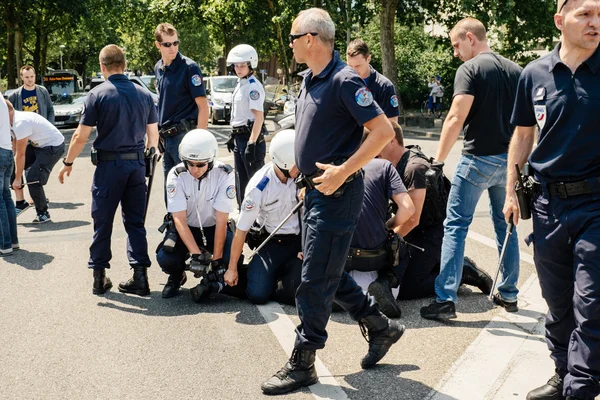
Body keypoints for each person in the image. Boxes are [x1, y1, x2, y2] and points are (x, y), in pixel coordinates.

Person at [261, 8, 403, 395]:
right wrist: (305, 181)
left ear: (310, 38)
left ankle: (303, 361)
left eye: (292, 37)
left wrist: (344, 170)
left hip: (338, 194)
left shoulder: (343, 81)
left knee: (313, 281)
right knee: (329, 272)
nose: (288, 44)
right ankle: (380, 327)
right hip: (315, 192)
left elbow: (382, 130)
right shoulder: (310, 79)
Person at [505, 1, 600, 399]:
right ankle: (562, 371)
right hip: (547, 206)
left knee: (591, 301)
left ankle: (581, 386)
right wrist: (511, 191)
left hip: (596, 205)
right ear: (561, 21)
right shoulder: (535, 74)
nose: (596, 23)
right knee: (557, 300)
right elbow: (524, 135)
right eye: (586, 15)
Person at [420, 17, 522, 321]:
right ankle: (509, 292)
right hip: (509, 161)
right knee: (506, 224)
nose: (455, 52)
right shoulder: (516, 70)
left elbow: (455, 117)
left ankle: (445, 299)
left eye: (456, 45)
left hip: (477, 160)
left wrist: (437, 161)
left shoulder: (470, 69)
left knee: (456, 225)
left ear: (469, 38)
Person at [58, 45, 159, 296]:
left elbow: (81, 136)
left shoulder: (96, 95)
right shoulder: (144, 95)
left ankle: (99, 277)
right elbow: (153, 137)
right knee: (135, 222)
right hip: (136, 166)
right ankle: (140, 277)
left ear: (102, 67)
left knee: (102, 221)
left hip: (109, 166)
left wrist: (68, 163)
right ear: (124, 64)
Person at [379, 121, 492, 300]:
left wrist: (386, 239)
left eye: (378, 140)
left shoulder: (414, 168)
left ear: (392, 140)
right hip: (418, 233)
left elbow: (412, 220)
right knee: (391, 272)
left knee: (406, 287)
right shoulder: (392, 164)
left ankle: (460, 272)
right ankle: (444, 264)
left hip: (434, 233)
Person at [156, 129, 240, 303]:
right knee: (166, 257)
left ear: (211, 160)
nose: (194, 169)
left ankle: (211, 280)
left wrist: (216, 260)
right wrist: (195, 254)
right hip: (187, 227)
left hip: (213, 227)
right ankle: (177, 276)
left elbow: (221, 221)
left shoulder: (225, 174)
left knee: (231, 257)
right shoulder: (176, 175)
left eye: (200, 164)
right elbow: (179, 219)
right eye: (190, 163)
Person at [225, 129, 303, 305]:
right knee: (257, 295)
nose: (301, 167)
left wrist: (308, 246)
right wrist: (232, 269)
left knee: (296, 295)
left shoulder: (304, 177)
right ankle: (258, 277)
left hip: (298, 244)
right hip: (271, 244)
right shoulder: (259, 187)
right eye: (297, 164)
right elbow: (241, 230)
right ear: (285, 163)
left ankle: (280, 281)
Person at [343, 156, 415, 318]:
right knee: (401, 246)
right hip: (375, 256)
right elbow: (408, 209)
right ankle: (385, 281)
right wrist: (388, 226)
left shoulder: (334, 166)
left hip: (343, 256)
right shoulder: (383, 166)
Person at [153, 23, 209, 188]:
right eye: (167, 44)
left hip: (184, 137)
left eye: (175, 43)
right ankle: (172, 215)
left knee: (189, 190)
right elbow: (162, 104)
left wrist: (200, 141)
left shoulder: (189, 68)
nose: (173, 48)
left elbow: (203, 106)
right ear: (158, 45)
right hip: (167, 138)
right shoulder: (159, 67)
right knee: (170, 190)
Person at [7, 100, 65, 223]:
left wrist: (18, 179)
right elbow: (14, 147)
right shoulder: (10, 121)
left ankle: (43, 213)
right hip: (38, 145)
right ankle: (20, 202)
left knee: (33, 178)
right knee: (11, 164)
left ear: (7, 112)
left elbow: (21, 154)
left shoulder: (20, 122)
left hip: (53, 146)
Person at [226, 44, 267, 206]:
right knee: (241, 182)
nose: (238, 68)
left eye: (242, 65)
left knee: (255, 182)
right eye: (236, 65)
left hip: (251, 139)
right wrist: (232, 135)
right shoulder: (240, 84)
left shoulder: (252, 86)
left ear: (251, 64)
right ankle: (245, 220)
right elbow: (240, 115)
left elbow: (259, 117)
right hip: (239, 138)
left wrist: (251, 143)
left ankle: (260, 221)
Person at [346, 39, 400, 123]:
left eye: (358, 66)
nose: (353, 70)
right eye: (350, 66)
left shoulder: (384, 86)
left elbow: (392, 125)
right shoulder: (343, 83)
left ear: (368, 59)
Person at [0, 99, 18, 256]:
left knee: (1, 199)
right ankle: (13, 241)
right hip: (6, 150)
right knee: (6, 196)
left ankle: (4, 244)